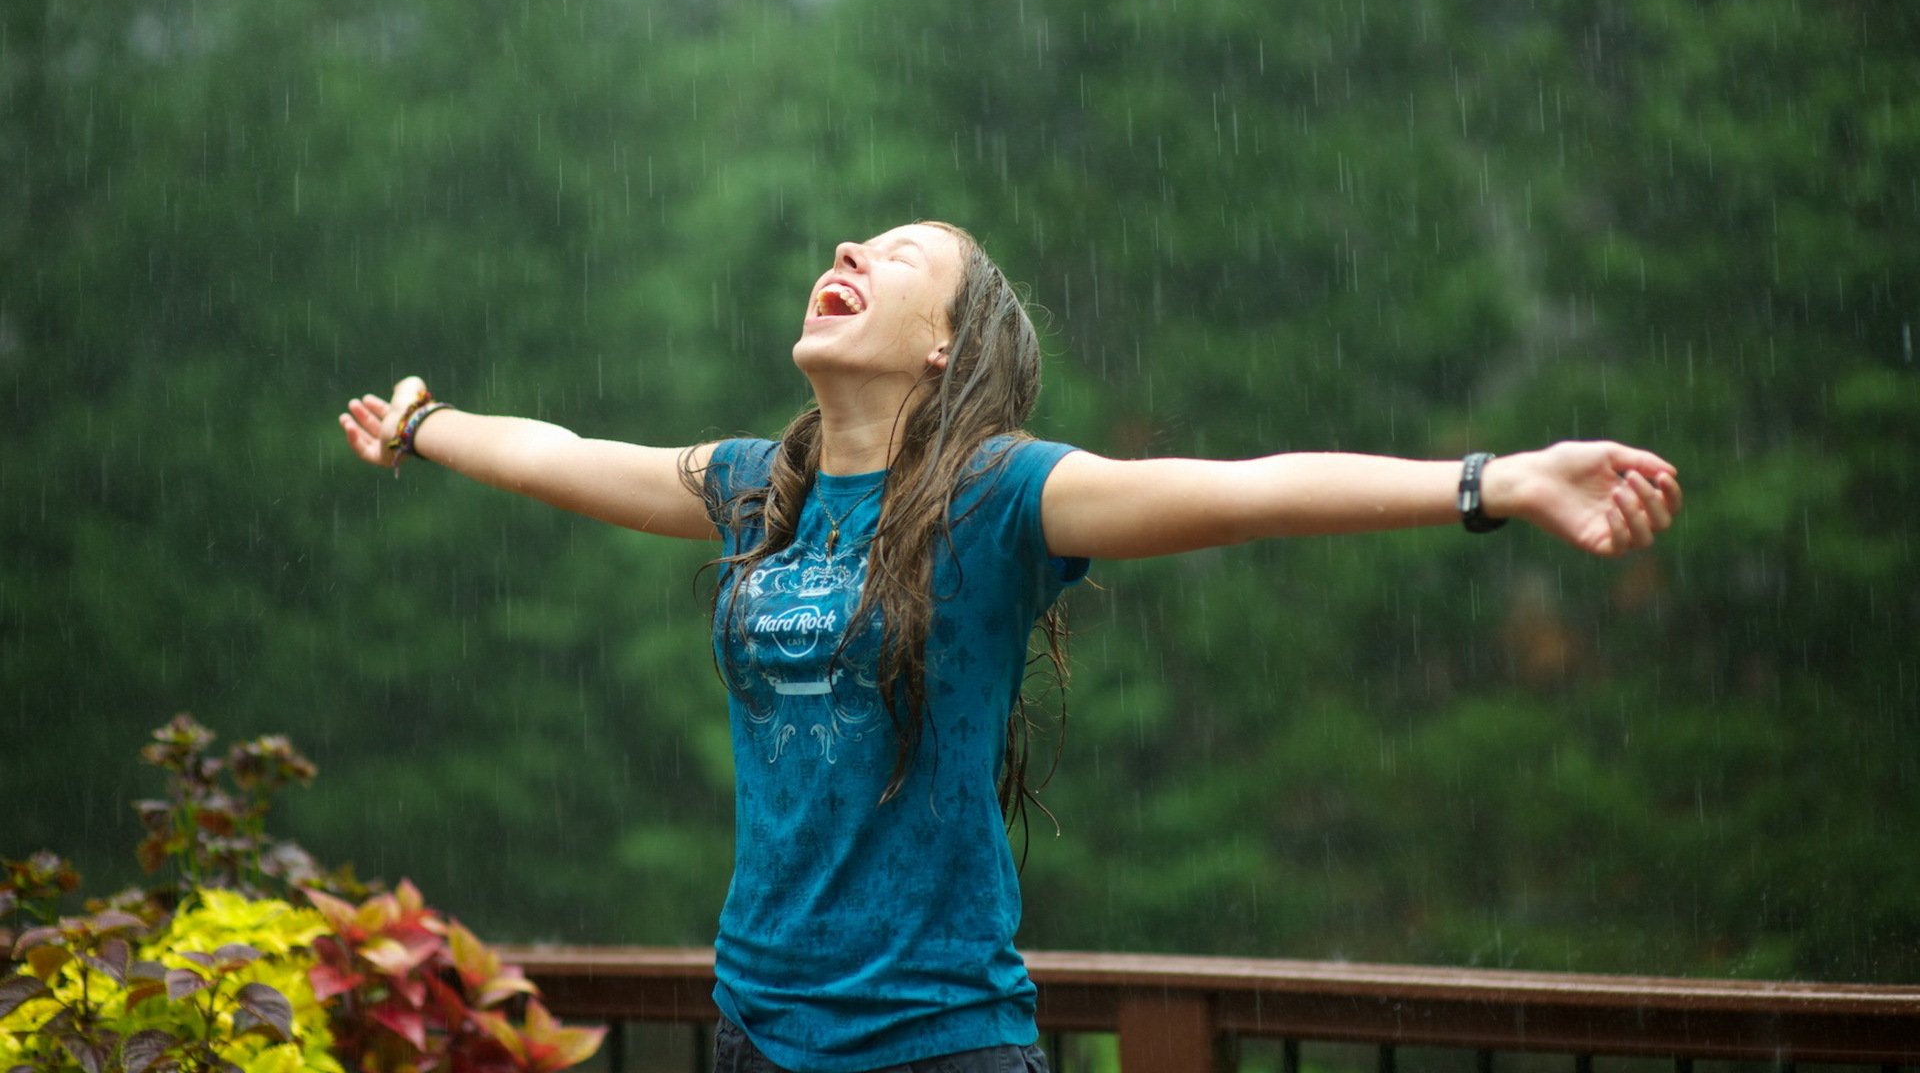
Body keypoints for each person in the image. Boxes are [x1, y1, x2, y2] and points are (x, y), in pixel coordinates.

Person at [338, 220, 1682, 1073]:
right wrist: (424, 426)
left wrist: (1493, 482)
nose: (852, 254)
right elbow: (564, 457)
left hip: (935, 1044)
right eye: (850, 243)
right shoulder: (762, 487)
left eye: (901, 256)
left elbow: (1250, 485)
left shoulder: (1002, 499)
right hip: (756, 1025)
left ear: (944, 350)